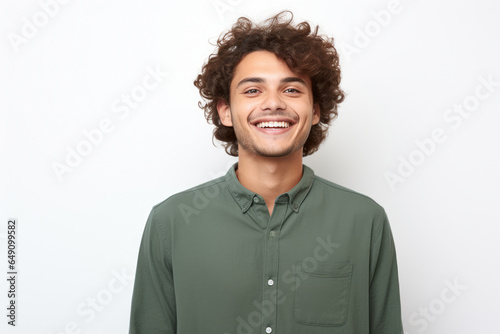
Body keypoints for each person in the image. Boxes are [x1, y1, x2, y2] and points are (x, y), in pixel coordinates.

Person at [129, 10, 404, 334]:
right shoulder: (170, 223)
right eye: (252, 90)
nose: (273, 103)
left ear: (315, 110)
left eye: (291, 90)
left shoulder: (365, 221)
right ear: (226, 111)